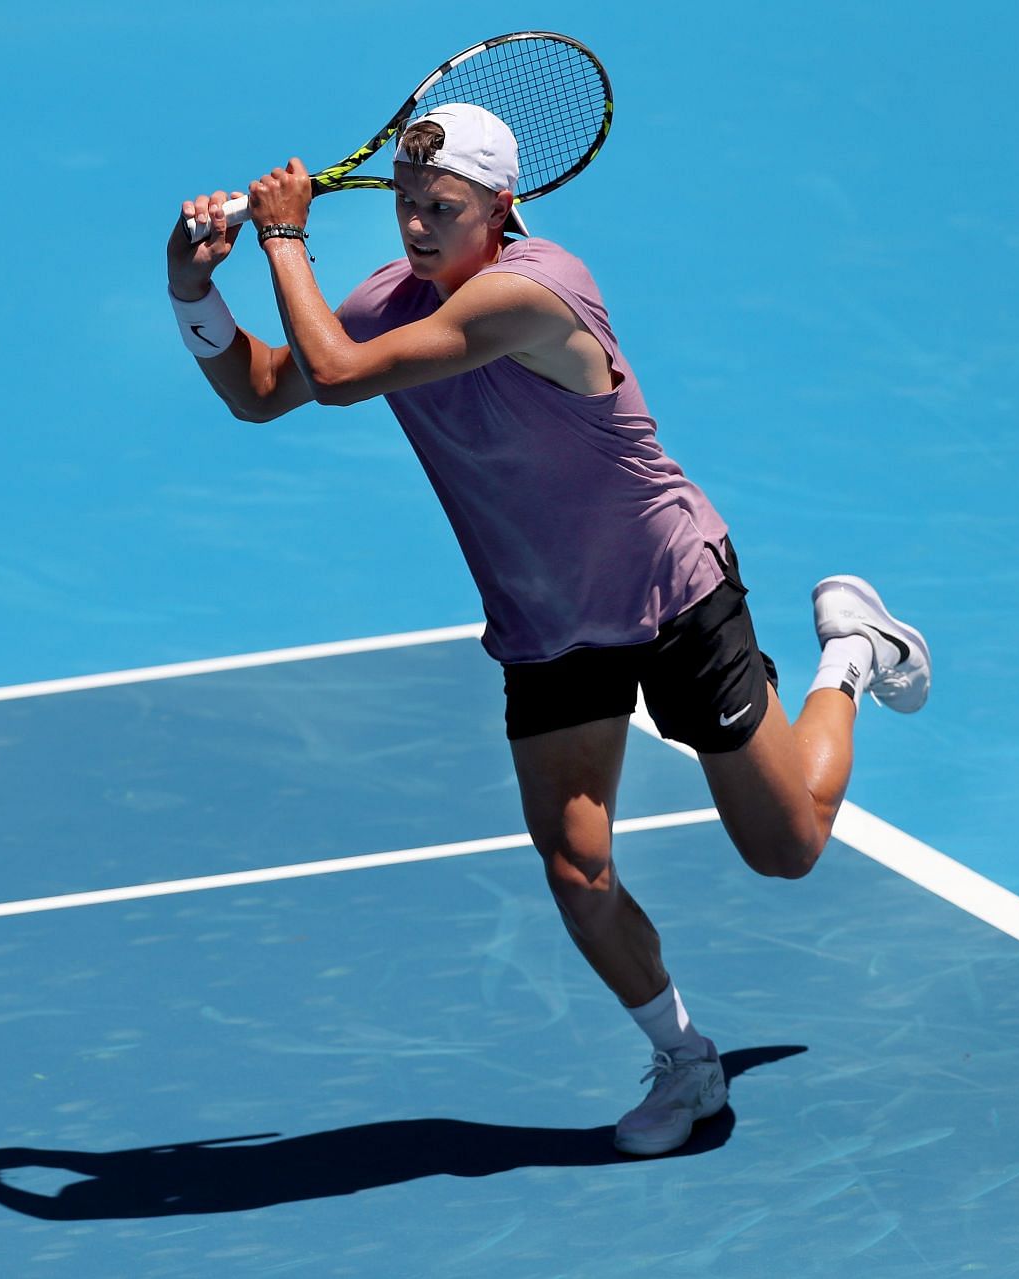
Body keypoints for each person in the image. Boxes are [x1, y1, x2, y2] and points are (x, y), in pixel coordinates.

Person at [164, 104, 931, 1156]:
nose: (419, 227)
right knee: (577, 868)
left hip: (670, 596)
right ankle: (686, 1060)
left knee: (787, 849)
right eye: (406, 204)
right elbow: (265, 392)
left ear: (503, 207)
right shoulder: (386, 304)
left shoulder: (537, 294)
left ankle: (850, 654)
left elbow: (336, 377)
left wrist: (285, 238)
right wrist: (192, 289)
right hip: (548, 624)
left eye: (445, 208)